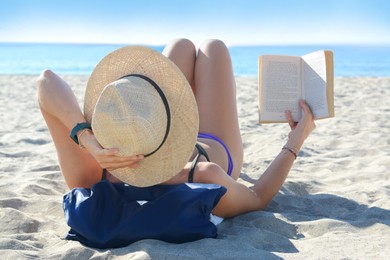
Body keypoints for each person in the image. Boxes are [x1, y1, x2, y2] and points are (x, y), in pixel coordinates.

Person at [37, 39, 315, 222]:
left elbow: (46, 82)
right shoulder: (206, 177)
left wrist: (88, 139)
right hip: (212, 147)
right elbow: (258, 196)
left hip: (162, 148)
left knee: (181, 47)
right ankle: (167, 105)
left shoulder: (90, 175)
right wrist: (295, 140)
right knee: (212, 48)